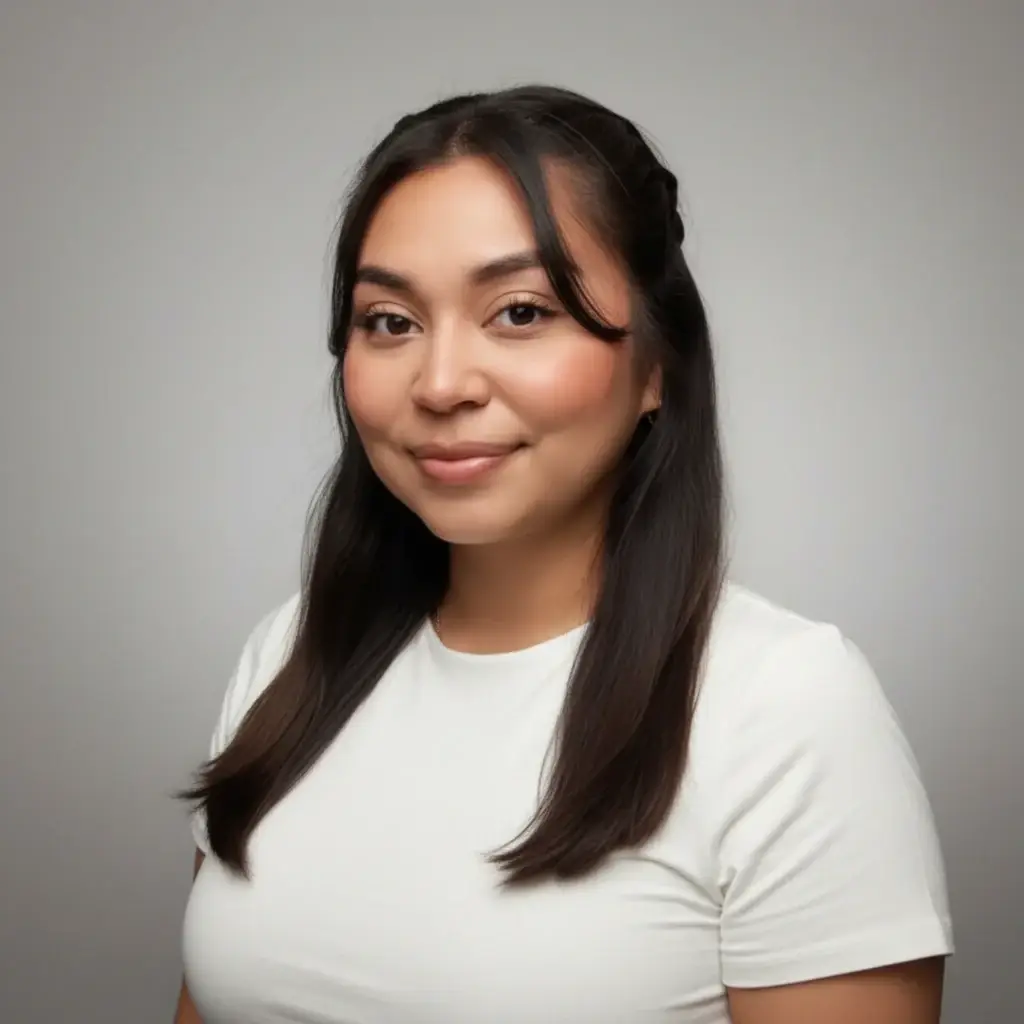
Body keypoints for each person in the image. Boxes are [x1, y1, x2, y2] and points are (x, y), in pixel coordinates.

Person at [175, 85, 953, 1024]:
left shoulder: (783, 708)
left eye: (520, 312)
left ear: (656, 365)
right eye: (390, 321)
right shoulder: (288, 656)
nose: (442, 383)